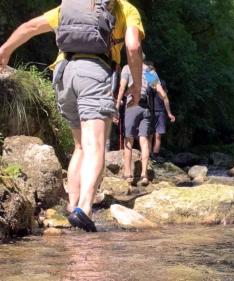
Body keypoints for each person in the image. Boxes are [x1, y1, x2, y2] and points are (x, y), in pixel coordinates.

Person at [0, 0, 145, 232]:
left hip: (63, 74)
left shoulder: (74, 5)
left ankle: (72, 205)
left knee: (80, 146)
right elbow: (134, 47)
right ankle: (85, 209)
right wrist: (137, 86)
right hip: (94, 73)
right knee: (95, 145)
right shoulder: (125, 9)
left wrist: (4, 50)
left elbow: (30, 27)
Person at [117, 60, 173, 186]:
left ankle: (128, 174)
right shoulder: (149, 71)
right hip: (146, 108)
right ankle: (144, 175)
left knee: (129, 140)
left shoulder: (128, 68)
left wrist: (116, 106)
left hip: (132, 106)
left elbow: (122, 88)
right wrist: (169, 113)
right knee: (144, 141)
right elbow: (162, 94)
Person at [149, 79, 176, 163]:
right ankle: (154, 156)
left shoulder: (152, 84)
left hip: (153, 112)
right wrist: (169, 114)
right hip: (158, 113)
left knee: (151, 136)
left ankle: (150, 155)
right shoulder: (163, 91)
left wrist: (169, 114)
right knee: (157, 136)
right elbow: (165, 99)